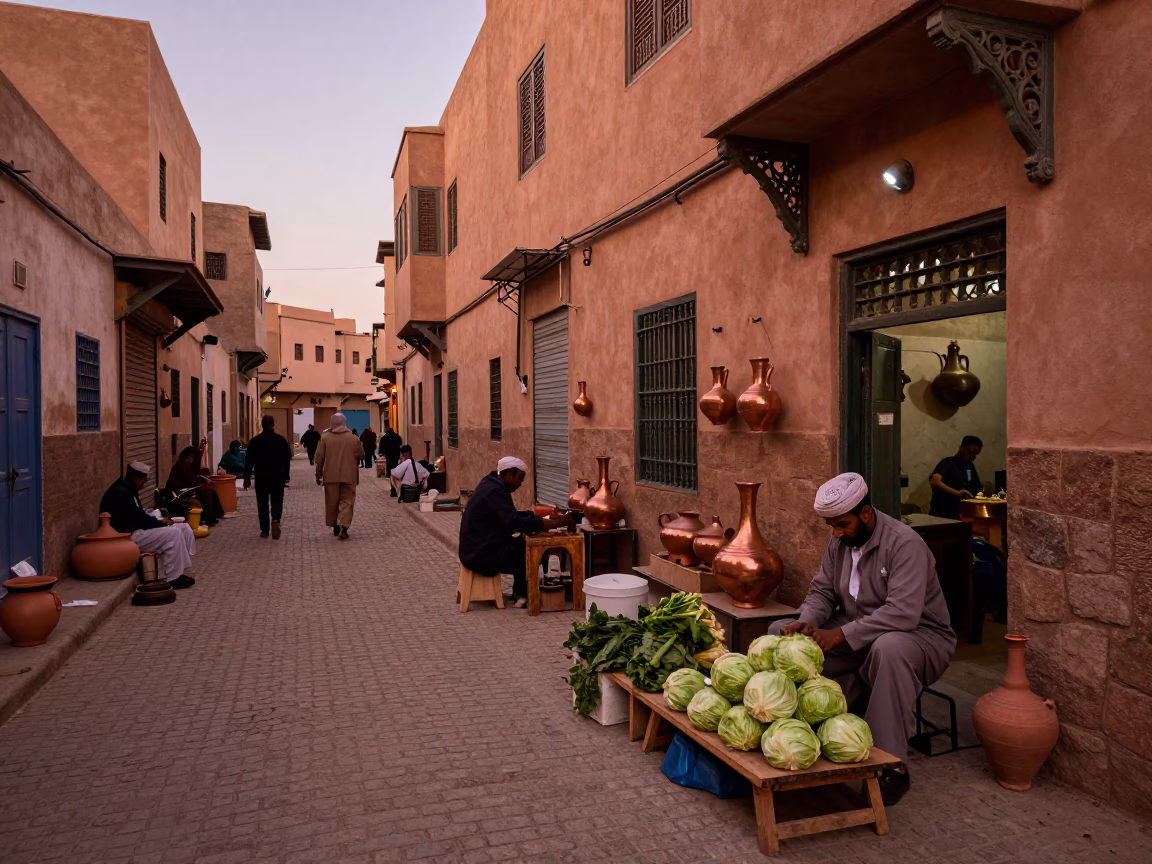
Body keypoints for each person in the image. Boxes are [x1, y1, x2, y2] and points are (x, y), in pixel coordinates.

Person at [769, 472, 956, 806]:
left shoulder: (905, 544)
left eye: (842, 525)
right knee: (780, 636)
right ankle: (813, 739)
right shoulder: (839, 541)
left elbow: (903, 613)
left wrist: (840, 634)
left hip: (919, 639)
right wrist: (805, 622)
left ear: (865, 514)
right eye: (832, 526)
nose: (836, 533)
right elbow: (822, 592)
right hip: (859, 634)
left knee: (889, 648)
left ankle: (892, 766)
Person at [458, 456, 573, 608]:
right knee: (525, 551)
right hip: (479, 555)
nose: (520, 484)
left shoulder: (492, 484)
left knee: (519, 543)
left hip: (476, 548)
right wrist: (546, 524)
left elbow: (509, 515)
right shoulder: (494, 491)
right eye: (520, 479)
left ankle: (522, 591)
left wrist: (534, 516)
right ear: (509, 475)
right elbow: (514, 522)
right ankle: (523, 594)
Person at [100, 461, 197, 588]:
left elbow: (138, 514)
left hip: (137, 528)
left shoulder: (128, 488)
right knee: (173, 533)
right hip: (127, 536)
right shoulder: (121, 493)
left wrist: (159, 521)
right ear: (136, 477)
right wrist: (160, 524)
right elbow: (139, 519)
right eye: (143, 482)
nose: (143, 485)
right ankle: (173, 578)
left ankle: (179, 572)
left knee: (183, 528)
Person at [315, 413, 363, 540]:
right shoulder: (354, 439)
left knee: (332, 502)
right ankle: (344, 527)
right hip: (349, 476)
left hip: (330, 476)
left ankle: (335, 524)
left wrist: (318, 474)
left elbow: (319, 458)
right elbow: (361, 455)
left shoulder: (324, 438)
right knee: (347, 502)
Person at [244, 415, 293, 539]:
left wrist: (247, 478)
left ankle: (265, 530)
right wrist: (286, 474)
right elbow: (286, 460)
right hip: (277, 475)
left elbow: (249, 461)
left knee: (262, 503)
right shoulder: (281, 440)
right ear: (273, 424)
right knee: (277, 499)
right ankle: (276, 518)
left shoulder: (255, 441)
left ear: (262, 425)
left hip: (261, 475)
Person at [165, 442, 224, 525]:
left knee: (211, 492)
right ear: (188, 457)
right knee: (206, 492)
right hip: (180, 492)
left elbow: (194, 471)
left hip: (187, 489)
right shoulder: (181, 466)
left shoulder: (186, 465)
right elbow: (188, 480)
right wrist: (199, 485)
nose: (193, 459)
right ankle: (208, 519)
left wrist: (200, 451)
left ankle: (212, 516)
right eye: (192, 457)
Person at [929, 435, 984, 519]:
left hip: (961, 514)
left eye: (975, 454)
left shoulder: (970, 466)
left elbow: (977, 486)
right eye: (970, 452)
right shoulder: (947, 462)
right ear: (961, 448)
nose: (973, 457)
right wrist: (957, 493)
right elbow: (934, 481)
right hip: (943, 514)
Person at [379, 425, 403, 497]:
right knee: (395, 472)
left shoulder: (384, 438)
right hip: (395, 457)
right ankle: (395, 488)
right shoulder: (397, 437)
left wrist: (382, 453)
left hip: (388, 457)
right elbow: (400, 445)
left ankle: (393, 489)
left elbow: (382, 448)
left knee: (390, 473)